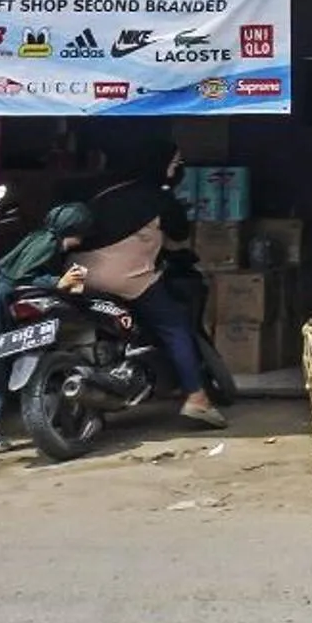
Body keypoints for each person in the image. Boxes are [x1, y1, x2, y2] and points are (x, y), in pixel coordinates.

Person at [72, 131, 224, 429]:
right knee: (175, 324)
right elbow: (180, 235)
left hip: (76, 274)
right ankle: (196, 397)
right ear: (159, 163)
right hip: (122, 279)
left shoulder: (106, 193)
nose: (177, 168)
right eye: (174, 162)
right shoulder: (159, 199)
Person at [0, 203, 91, 453]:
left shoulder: (40, 237)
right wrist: (58, 282)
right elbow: (20, 278)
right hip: (1, 304)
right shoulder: (48, 243)